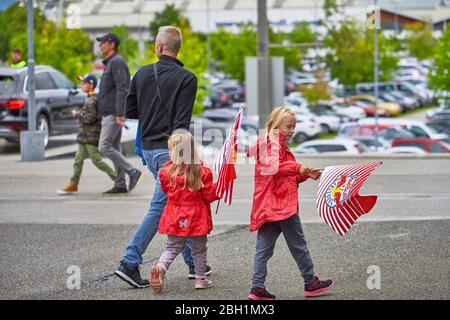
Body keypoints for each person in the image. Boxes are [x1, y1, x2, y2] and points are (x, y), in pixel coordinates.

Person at [114, 26, 207, 288]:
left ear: (158, 47)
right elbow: (182, 123)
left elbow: (131, 110)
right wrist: (185, 157)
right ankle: (129, 262)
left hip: (149, 148)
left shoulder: (142, 73)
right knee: (162, 205)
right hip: (172, 151)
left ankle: (193, 263)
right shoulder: (188, 78)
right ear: (178, 48)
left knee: (177, 199)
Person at [246, 107, 333, 300]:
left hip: (267, 206)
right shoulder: (272, 144)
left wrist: (304, 174)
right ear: (276, 124)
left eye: (294, 126)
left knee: (263, 249)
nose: (292, 130)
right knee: (298, 245)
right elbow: (276, 169)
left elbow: (283, 176)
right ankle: (310, 282)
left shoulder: (271, 144)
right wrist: (299, 167)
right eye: (289, 126)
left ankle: (257, 287)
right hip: (282, 205)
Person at [150, 130, 219, 293]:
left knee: (172, 247)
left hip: (175, 215)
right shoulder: (202, 172)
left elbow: (166, 190)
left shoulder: (166, 172)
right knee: (199, 249)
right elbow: (208, 195)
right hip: (196, 217)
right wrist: (220, 188)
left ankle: (160, 267)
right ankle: (200, 279)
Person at [96, 32, 142, 195]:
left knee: (104, 146)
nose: (100, 45)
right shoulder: (111, 63)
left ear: (112, 44)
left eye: (102, 42)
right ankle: (120, 183)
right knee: (114, 147)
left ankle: (132, 171)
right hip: (108, 112)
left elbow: (123, 87)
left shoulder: (117, 62)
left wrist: (120, 112)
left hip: (113, 113)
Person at [57, 74, 117, 195]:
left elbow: (90, 118)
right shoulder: (89, 98)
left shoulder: (93, 100)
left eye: (84, 83)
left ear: (91, 85)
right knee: (78, 161)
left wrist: (77, 114)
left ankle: (118, 179)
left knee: (97, 161)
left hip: (91, 137)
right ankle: (73, 184)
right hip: (84, 137)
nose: (81, 85)